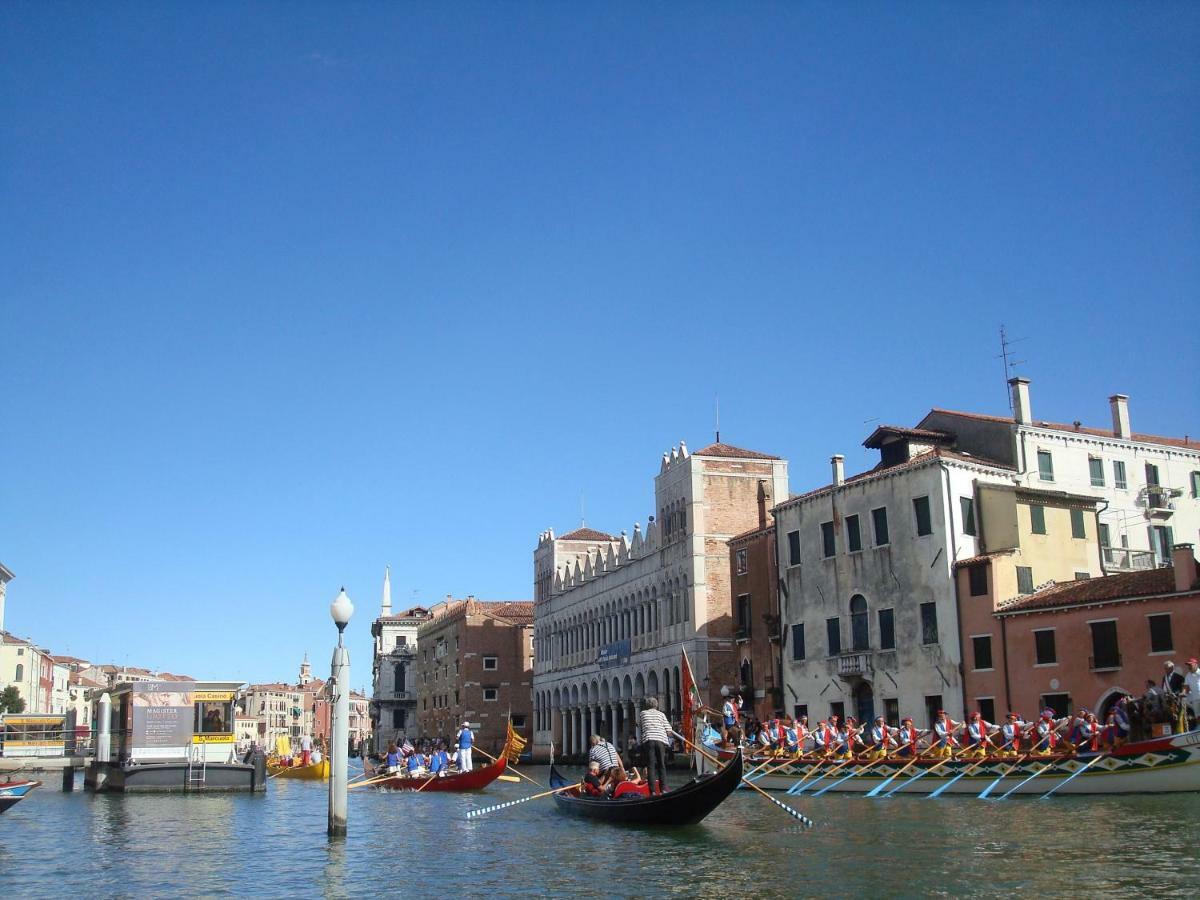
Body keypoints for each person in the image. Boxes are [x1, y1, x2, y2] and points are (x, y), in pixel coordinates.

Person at [637, 697, 684, 796]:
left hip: (649, 740)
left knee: (651, 766)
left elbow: (639, 724)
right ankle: (663, 790)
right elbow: (669, 731)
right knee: (661, 765)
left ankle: (653, 791)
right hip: (660, 741)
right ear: (656, 705)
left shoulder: (643, 713)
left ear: (647, 705)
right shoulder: (661, 714)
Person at [1183, 658, 1200, 728]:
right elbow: (1186, 686)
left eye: (1190, 665)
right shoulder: (1188, 675)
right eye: (1188, 665)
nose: (1189, 666)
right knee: (1197, 716)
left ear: (1196, 664)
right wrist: (1183, 693)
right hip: (1195, 698)